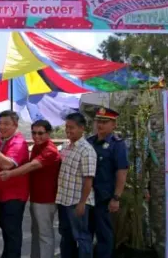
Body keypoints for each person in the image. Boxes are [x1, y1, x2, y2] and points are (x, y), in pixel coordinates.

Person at [0, 119, 61, 258]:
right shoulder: (38, 147)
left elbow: (32, 165)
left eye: (40, 133)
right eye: (34, 133)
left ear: (48, 133)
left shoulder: (50, 150)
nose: (36, 136)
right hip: (36, 197)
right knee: (36, 233)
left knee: (45, 235)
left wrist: (10, 174)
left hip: (46, 199)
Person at [87, 108, 129, 258]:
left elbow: (121, 172)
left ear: (113, 125)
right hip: (87, 197)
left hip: (104, 198)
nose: (100, 125)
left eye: (105, 122)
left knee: (104, 235)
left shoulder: (117, 145)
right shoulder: (89, 142)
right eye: (98, 121)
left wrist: (116, 198)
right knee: (86, 234)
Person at [0, 110, 30, 258]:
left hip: (15, 196)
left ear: (15, 125)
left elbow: (6, 165)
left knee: (12, 232)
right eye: (0, 123)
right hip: (2, 195)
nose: (2, 127)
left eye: (6, 124)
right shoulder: (0, 138)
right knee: (5, 228)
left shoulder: (19, 142)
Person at [56, 113, 97, 258]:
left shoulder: (87, 150)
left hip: (77, 203)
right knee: (66, 236)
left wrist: (82, 203)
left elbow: (88, 179)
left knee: (82, 237)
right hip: (64, 200)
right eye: (66, 127)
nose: (68, 130)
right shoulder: (67, 146)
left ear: (81, 128)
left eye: (71, 127)